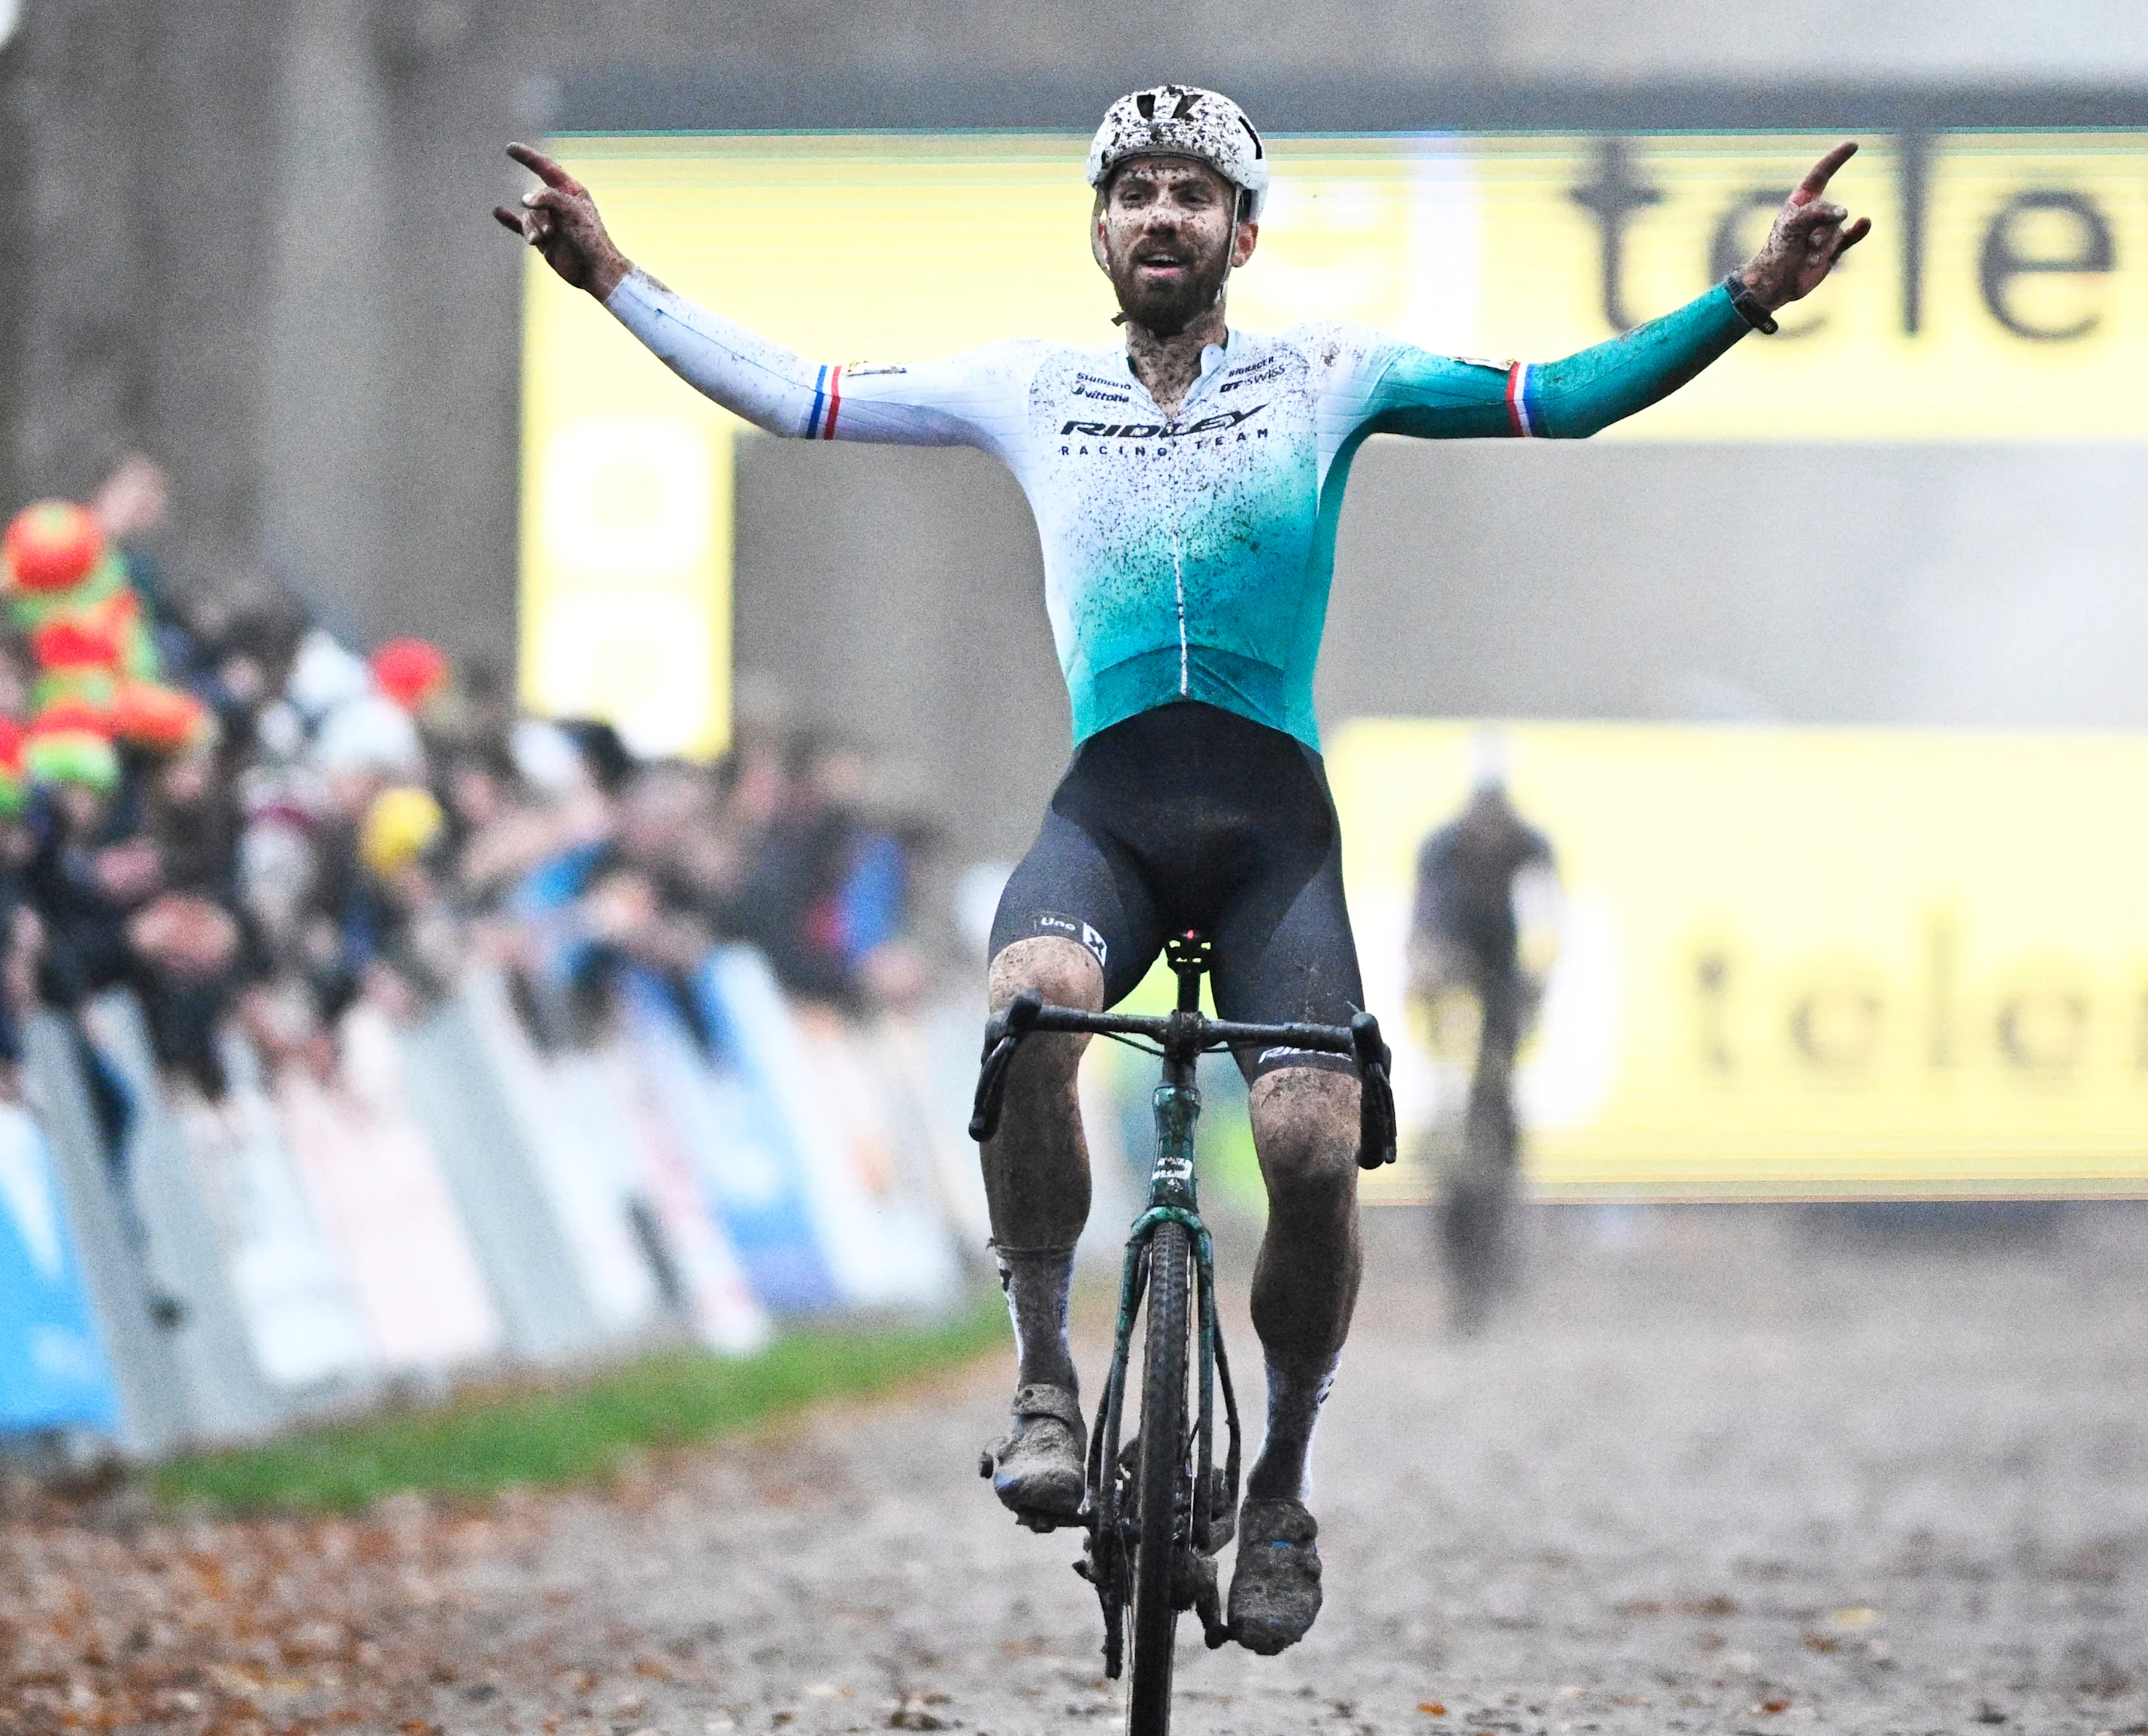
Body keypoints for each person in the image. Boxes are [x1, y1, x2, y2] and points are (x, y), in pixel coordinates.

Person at [497, 88, 1868, 1655]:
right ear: (1099, 227)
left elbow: (1561, 397)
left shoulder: (1331, 375)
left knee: (1306, 1140)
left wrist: (1746, 298)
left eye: (1192, 195)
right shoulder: (1028, 384)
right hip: (1115, 816)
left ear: (1243, 233)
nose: (1161, 216)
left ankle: (1279, 1483)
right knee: (1028, 1007)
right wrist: (614, 279)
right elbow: (794, 395)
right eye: (1134, 192)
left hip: (1273, 826)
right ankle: (1040, 1377)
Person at [1406, 770, 1558, 1328]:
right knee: (1454, 1111)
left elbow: (1547, 928)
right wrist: (1427, 976)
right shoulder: (1442, 851)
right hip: (1454, 977)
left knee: (1497, 1105)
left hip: (1503, 982)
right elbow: (1421, 930)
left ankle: (1498, 1207)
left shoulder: (1531, 849)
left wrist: (1535, 987)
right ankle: (1452, 1189)